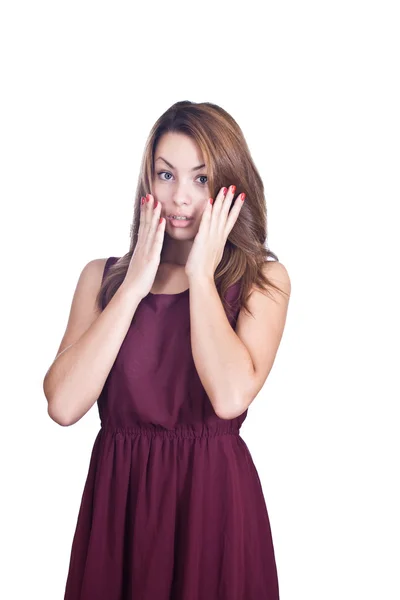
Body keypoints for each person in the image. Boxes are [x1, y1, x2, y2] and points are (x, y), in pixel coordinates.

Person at [43, 100, 291, 599]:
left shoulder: (262, 282)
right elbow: (63, 405)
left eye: (201, 180)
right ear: (147, 182)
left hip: (211, 510)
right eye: (165, 175)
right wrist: (134, 285)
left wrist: (201, 273)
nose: (180, 198)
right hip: (120, 510)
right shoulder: (102, 278)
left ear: (228, 187)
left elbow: (228, 397)